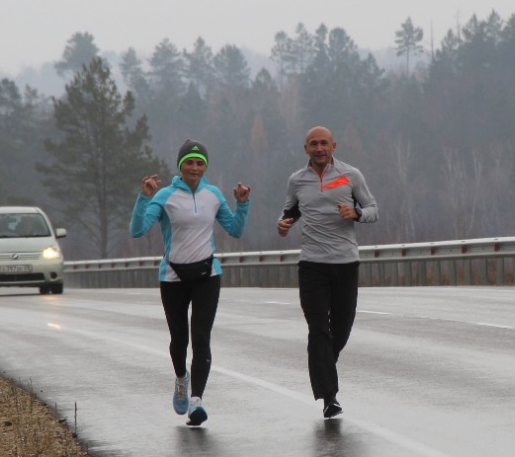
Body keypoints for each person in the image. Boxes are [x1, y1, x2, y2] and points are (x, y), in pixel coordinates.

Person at [130, 139, 251, 427]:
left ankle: (196, 400)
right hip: (173, 276)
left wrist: (242, 204)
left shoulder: (213, 195)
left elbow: (234, 230)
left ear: (205, 166)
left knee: (201, 337)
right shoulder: (164, 196)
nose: (194, 167)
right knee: (179, 340)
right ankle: (181, 380)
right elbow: (137, 231)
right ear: (180, 165)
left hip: (207, 274)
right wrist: (144, 198)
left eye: (200, 163)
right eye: (190, 162)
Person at [277, 126, 378, 419]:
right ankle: (329, 397)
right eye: (313, 144)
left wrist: (357, 214)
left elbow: (374, 209)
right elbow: (289, 213)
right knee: (319, 328)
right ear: (305, 149)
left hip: (346, 263)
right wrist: (283, 225)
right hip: (312, 265)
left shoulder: (351, 176)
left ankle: (322, 367)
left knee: (341, 329)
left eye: (324, 143)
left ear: (334, 146)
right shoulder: (297, 181)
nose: (319, 148)